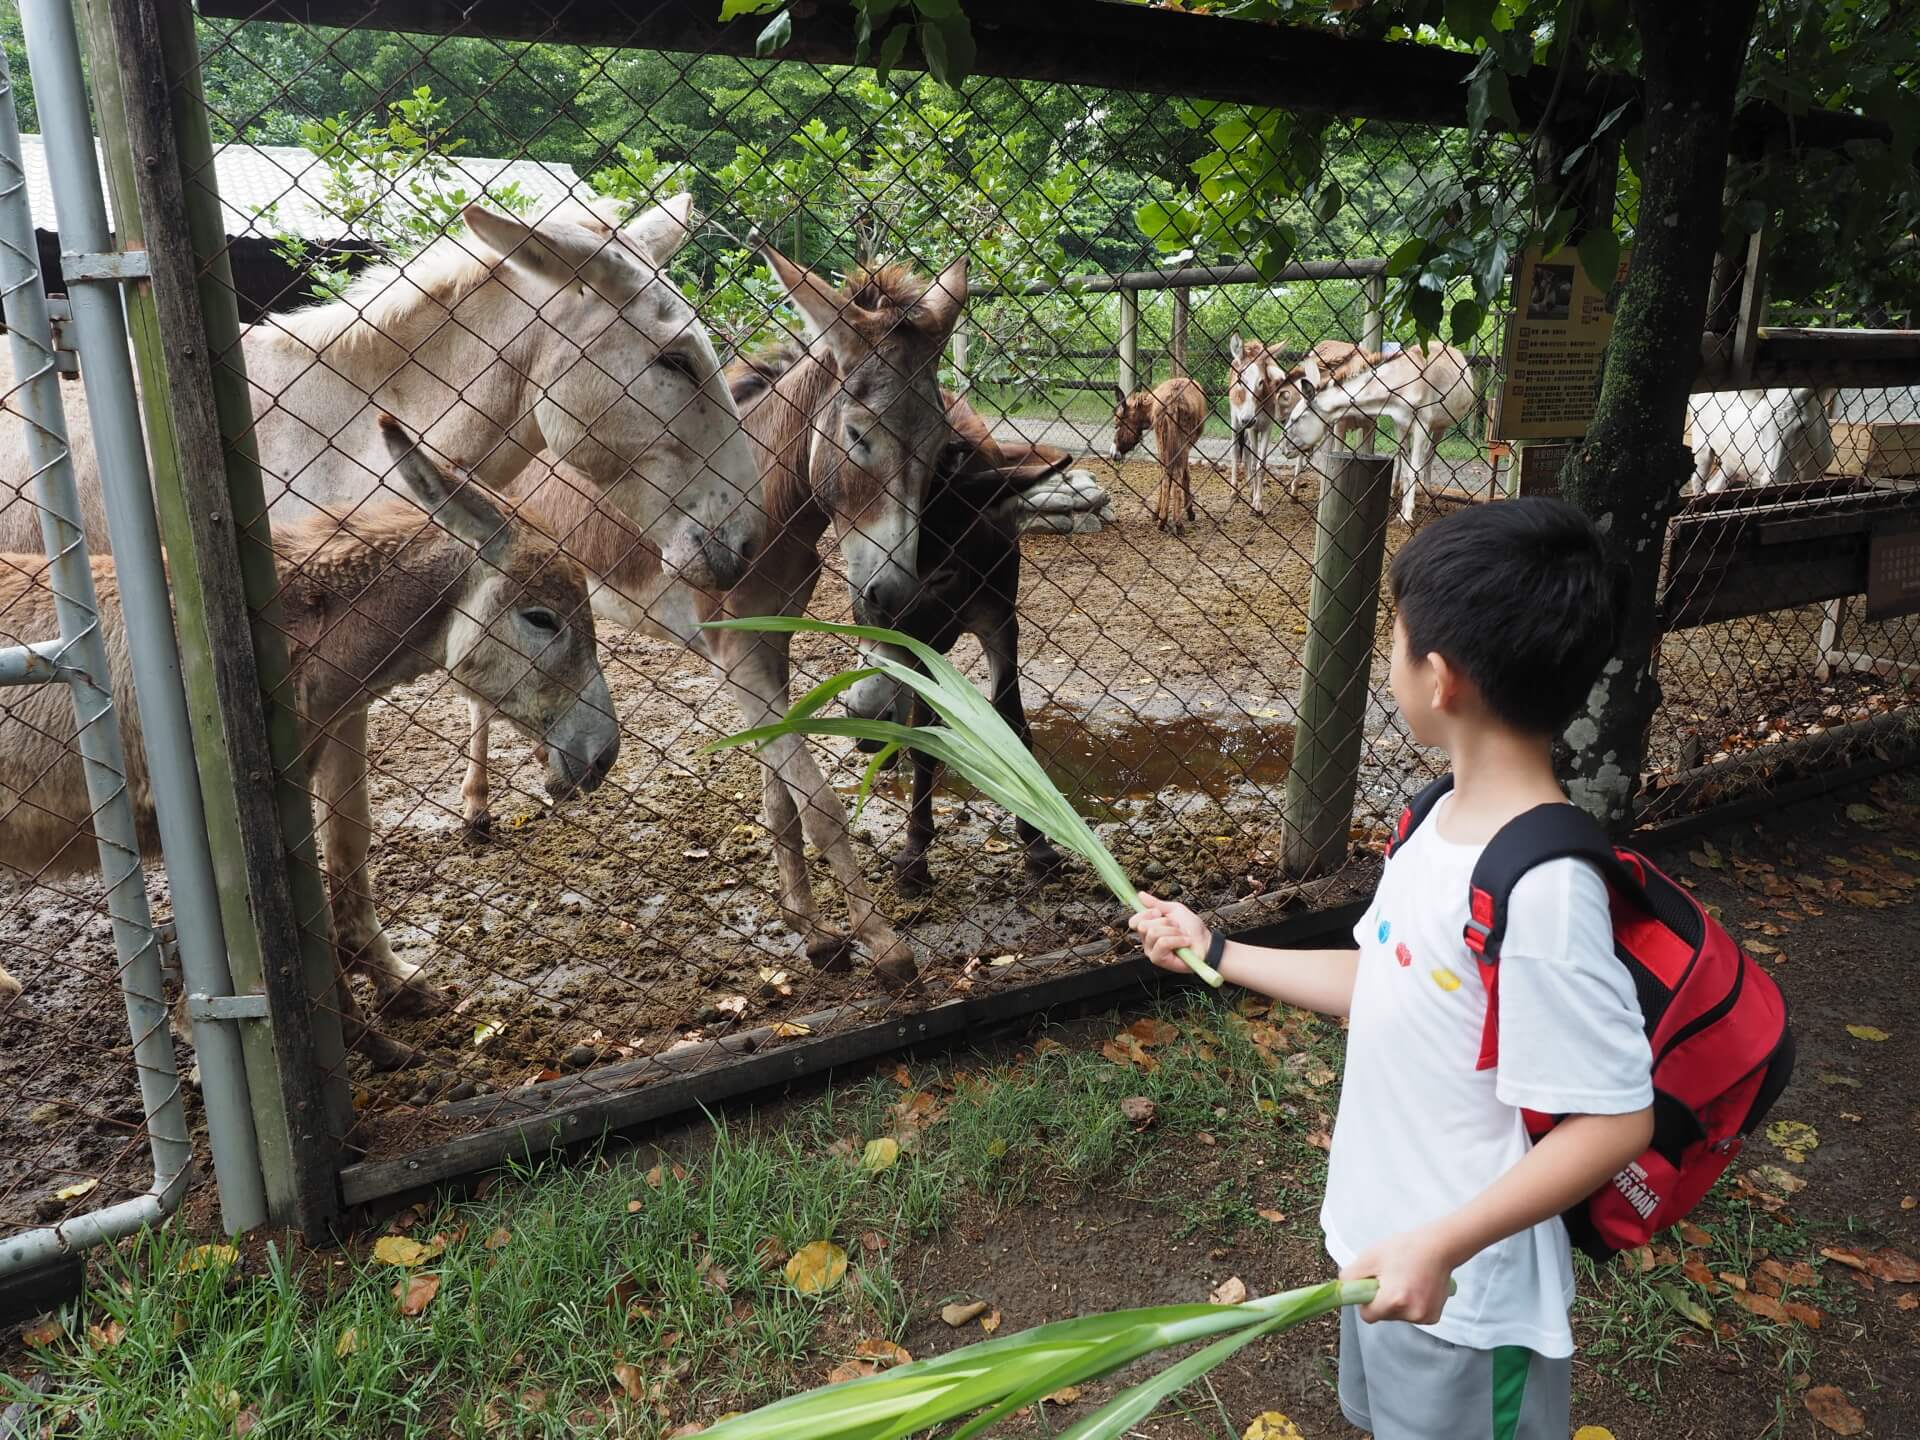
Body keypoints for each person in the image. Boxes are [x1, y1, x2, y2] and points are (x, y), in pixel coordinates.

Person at [1131, 498, 1654, 1440]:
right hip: (1385, 1247)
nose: (1391, 662)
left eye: (1397, 641)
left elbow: (1616, 1118)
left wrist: (1442, 1245)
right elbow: (1389, 982)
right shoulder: (1434, 819)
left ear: (1442, 679)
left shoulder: (1541, 891)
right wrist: (1219, 951)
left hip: (1464, 1296)